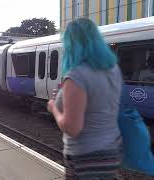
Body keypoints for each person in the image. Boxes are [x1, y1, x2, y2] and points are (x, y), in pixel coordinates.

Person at [47, 18, 123, 179]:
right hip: (112, 149)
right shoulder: (113, 69)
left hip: (86, 156)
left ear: (71, 44)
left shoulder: (76, 75)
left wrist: (54, 107)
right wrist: (65, 96)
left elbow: (72, 128)